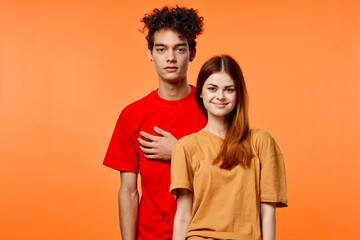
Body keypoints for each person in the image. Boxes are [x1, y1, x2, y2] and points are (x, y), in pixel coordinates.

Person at [103, 6, 206, 240]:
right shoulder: (132, 114)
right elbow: (128, 192)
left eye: (179, 49)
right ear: (150, 53)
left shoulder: (213, 107)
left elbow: (232, 173)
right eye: (161, 49)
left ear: (191, 53)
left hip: (206, 233)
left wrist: (179, 151)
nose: (170, 57)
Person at [171, 55, 288, 240]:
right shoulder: (185, 147)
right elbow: (183, 216)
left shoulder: (261, 142)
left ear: (238, 93)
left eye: (229, 89)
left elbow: (268, 213)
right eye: (212, 88)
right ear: (201, 92)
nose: (220, 96)